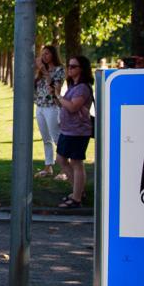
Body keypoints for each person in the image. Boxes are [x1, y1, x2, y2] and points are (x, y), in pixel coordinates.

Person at [57, 55, 94, 209]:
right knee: (61, 160)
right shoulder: (73, 87)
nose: (69, 69)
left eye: (73, 66)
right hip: (67, 130)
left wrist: (58, 96)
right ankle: (78, 190)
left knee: (76, 163)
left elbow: (73, 107)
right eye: (69, 66)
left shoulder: (83, 88)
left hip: (78, 132)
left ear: (82, 69)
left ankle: (77, 198)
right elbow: (63, 105)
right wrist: (57, 94)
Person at [33, 45, 66, 180]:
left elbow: (55, 88)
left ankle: (65, 169)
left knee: (56, 137)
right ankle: (48, 167)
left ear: (53, 55)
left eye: (46, 54)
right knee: (46, 138)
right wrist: (37, 69)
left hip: (52, 106)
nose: (44, 57)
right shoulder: (40, 71)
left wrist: (45, 72)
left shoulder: (59, 70)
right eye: (42, 54)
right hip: (40, 106)